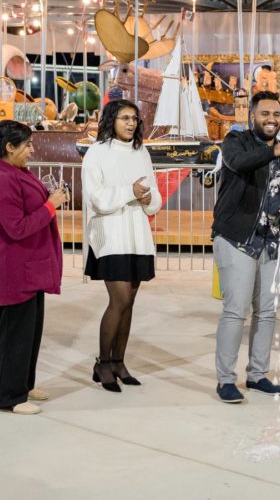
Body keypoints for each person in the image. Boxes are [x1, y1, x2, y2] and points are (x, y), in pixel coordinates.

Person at [212, 91, 280, 404]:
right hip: (238, 239)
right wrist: (276, 150)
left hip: (274, 242)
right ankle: (226, 380)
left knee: (267, 312)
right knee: (236, 310)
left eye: (275, 114)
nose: (270, 119)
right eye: (264, 113)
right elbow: (239, 163)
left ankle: (257, 374)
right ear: (253, 115)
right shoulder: (236, 141)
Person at [0, 121, 67, 415]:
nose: (32, 150)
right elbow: (16, 227)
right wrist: (51, 205)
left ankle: (23, 385)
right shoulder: (0, 178)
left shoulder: (12, 171)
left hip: (29, 264)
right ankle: (9, 396)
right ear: (10, 147)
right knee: (15, 335)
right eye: (27, 145)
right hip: (13, 266)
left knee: (30, 331)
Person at [82, 100, 162, 392]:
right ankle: (102, 363)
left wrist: (146, 199)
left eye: (134, 118)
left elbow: (155, 200)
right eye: (124, 118)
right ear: (110, 121)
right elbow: (97, 198)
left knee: (129, 303)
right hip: (110, 235)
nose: (131, 123)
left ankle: (118, 362)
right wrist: (130, 192)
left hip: (137, 236)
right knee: (119, 301)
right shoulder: (96, 153)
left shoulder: (142, 153)